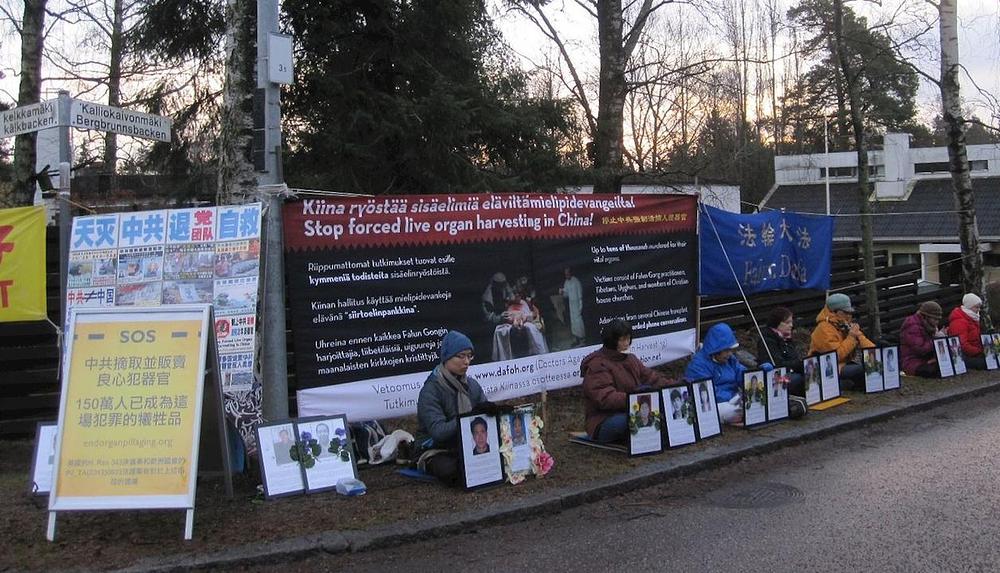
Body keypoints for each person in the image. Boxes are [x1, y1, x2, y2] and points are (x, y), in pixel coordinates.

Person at [417, 331, 499, 485]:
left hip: (468, 445)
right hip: (436, 449)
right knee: (450, 470)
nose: (466, 362)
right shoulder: (431, 390)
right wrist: (470, 418)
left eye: (469, 356)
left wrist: (492, 412)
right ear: (446, 358)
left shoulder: (472, 385)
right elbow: (438, 432)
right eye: (461, 356)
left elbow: (486, 424)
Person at [581, 319, 676, 443]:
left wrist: (675, 385)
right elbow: (604, 398)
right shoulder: (597, 364)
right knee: (628, 421)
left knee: (660, 412)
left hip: (632, 409)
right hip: (603, 420)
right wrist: (635, 398)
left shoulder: (631, 359)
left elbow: (652, 378)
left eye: (628, 339)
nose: (627, 343)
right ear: (612, 340)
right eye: (622, 340)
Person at [685, 323, 754, 424]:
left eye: (730, 350)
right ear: (716, 349)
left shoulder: (731, 360)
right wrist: (732, 397)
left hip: (734, 399)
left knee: (753, 402)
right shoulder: (698, 365)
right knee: (733, 411)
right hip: (714, 403)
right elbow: (706, 391)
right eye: (726, 350)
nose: (729, 354)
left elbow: (743, 374)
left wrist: (757, 374)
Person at [808, 293, 875, 391]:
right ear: (835, 311)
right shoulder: (824, 328)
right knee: (863, 369)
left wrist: (860, 337)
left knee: (872, 364)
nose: (849, 316)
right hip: (828, 368)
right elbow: (835, 356)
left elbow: (869, 347)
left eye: (850, 313)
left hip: (844, 364)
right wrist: (851, 337)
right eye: (846, 312)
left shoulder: (843, 324)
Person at [756, 306, 806, 397]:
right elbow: (778, 364)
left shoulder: (786, 337)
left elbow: (792, 357)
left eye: (791, 322)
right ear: (777, 323)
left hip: (790, 371)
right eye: (787, 322)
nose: (791, 325)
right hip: (775, 378)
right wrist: (798, 364)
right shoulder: (768, 340)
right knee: (797, 378)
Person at [899, 301, 945, 377]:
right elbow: (920, 349)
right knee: (936, 371)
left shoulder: (929, 325)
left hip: (925, 360)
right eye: (935, 319)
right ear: (926, 316)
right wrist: (936, 339)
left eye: (938, 320)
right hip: (912, 362)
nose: (937, 322)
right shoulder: (912, 326)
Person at [948, 293, 988, 370]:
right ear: (969, 306)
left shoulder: (972, 318)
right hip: (965, 356)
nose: (979, 309)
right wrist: (979, 351)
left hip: (974, 353)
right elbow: (962, 345)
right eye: (976, 307)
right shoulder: (959, 322)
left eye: (979, 307)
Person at [561, 267, 586, 346]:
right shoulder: (566, 282)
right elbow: (566, 295)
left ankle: (583, 338)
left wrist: (580, 305)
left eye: (568, 273)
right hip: (571, 305)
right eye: (565, 274)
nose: (567, 275)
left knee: (578, 321)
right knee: (573, 322)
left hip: (577, 304)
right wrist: (562, 292)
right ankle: (576, 338)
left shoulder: (576, 281)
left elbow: (580, 294)